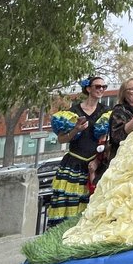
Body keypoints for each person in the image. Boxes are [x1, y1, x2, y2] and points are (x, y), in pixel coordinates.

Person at [47, 76, 110, 226]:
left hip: (97, 163)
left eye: (104, 87)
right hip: (74, 163)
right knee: (70, 204)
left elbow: (109, 140)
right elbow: (61, 139)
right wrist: (76, 129)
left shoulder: (107, 111)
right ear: (88, 89)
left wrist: (98, 159)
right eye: (98, 86)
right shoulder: (72, 112)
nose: (101, 89)